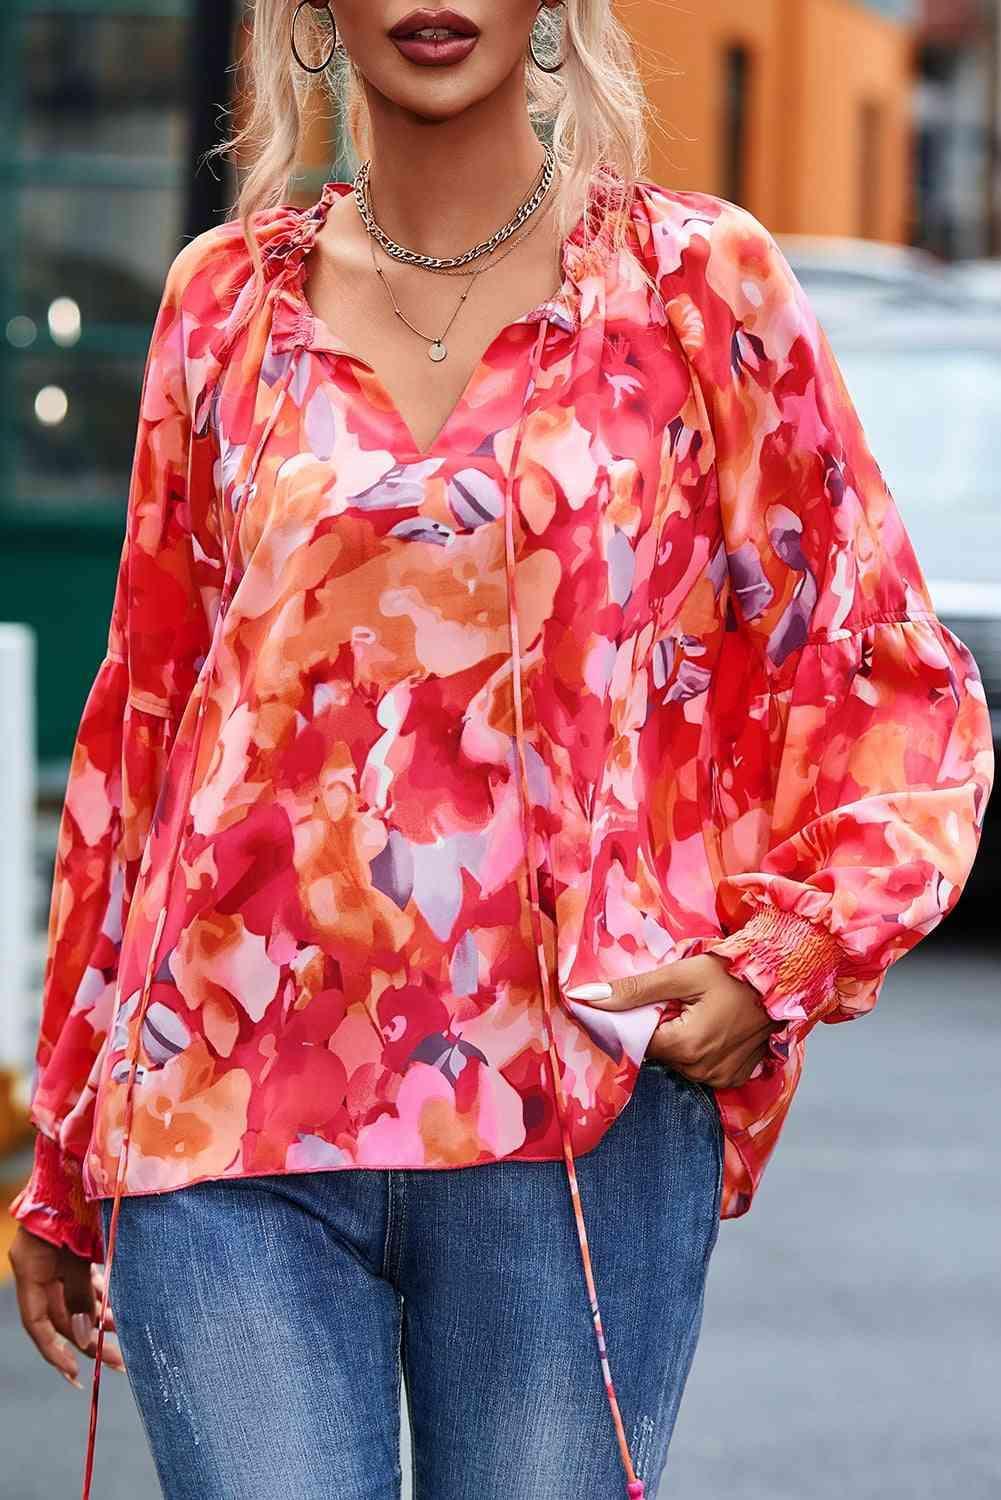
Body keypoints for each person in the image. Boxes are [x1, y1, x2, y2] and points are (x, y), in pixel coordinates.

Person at [8, 3, 994, 1498]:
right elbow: (142, 731)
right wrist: (70, 1141)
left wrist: (778, 956)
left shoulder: (693, 288)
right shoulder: (224, 305)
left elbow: (882, 670)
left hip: (577, 1127)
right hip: (222, 1120)